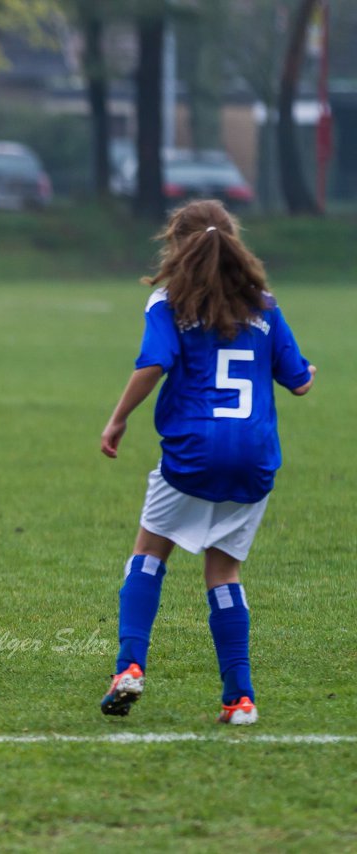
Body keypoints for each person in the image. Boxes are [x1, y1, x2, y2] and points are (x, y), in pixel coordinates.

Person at [98, 199, 316, 725]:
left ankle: (129, 667)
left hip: (194, 452)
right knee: (223, 570)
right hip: (254, 459)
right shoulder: (263, 303)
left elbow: (154, 362)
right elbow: (300, 381)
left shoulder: (169, 301)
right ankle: (239, 699)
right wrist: (306, 367)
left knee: (149, 552)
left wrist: (118, 419)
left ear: (177, 245)